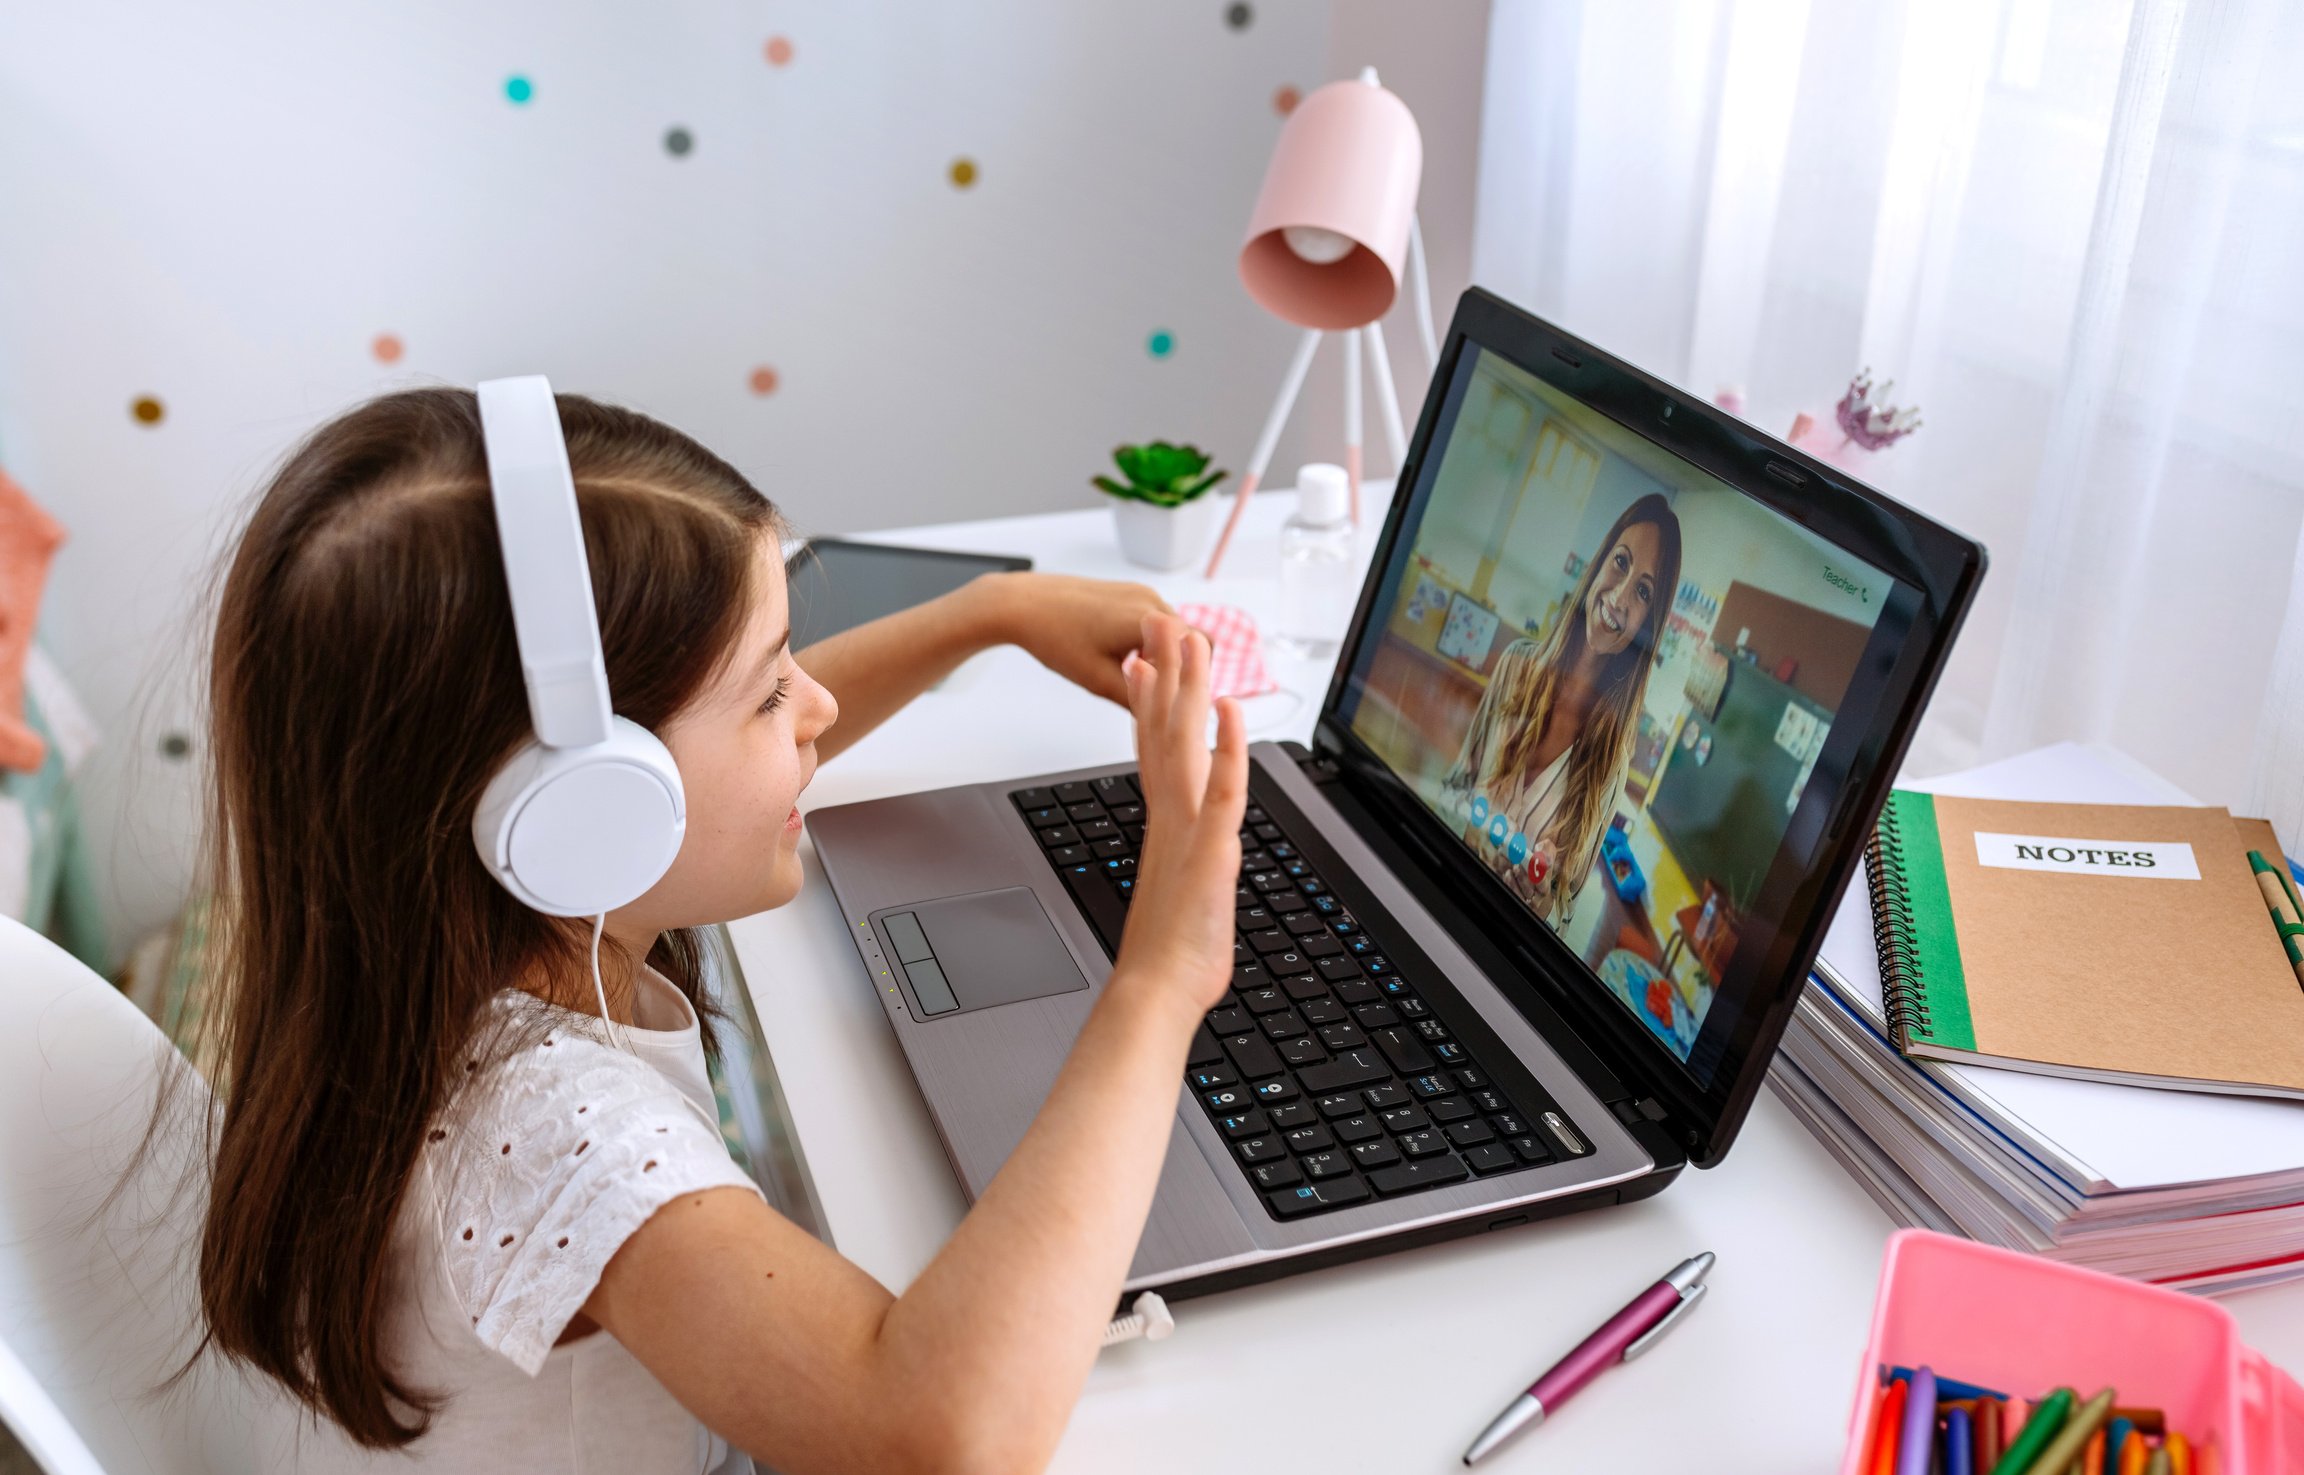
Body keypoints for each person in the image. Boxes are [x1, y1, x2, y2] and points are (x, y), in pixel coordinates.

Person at [183, 388, 1247, 1473]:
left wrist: (985, 616)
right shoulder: (555, 1133)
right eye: (771, 689)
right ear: (589, 804)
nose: (818, 705)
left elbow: (728, 765)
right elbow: (940, 1436)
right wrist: (1160, 980)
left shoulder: (411, 955)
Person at [1440, 492, 1682, 926]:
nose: (1621, 596)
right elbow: (1457, 785)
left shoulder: (1611, 769)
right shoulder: (1515, 664)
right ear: (1600, 562)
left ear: (1648, 622)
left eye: (1644, 591)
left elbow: (1564, 907)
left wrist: (1542, 903)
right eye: (1621, 562)